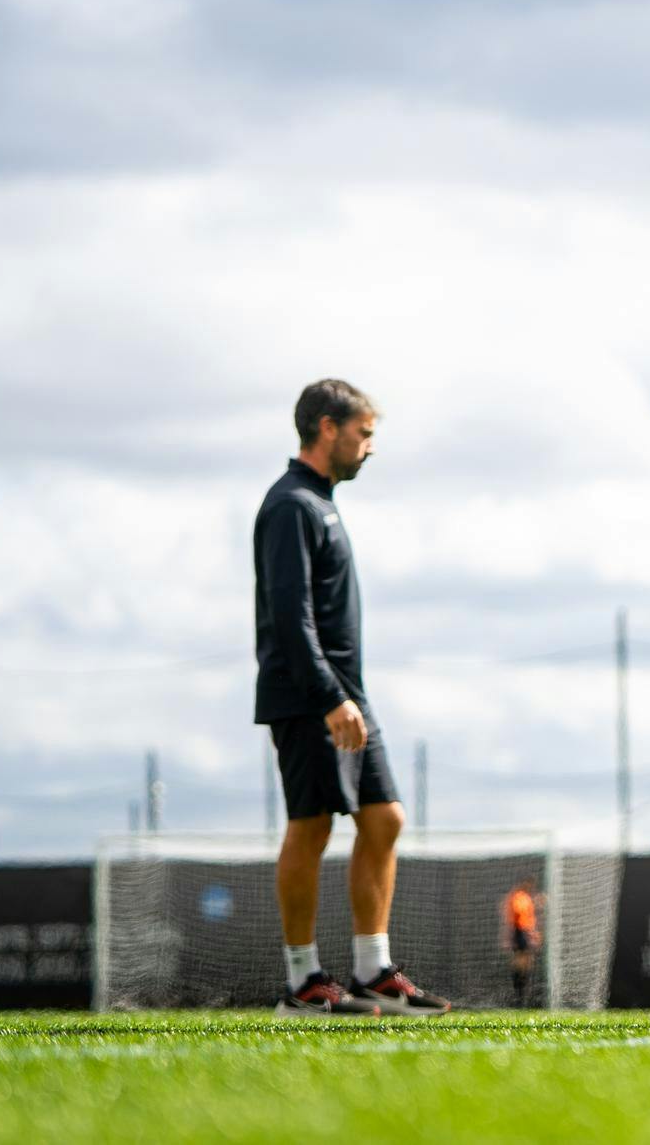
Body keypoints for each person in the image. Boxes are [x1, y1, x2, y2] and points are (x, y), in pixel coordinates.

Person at [256, 379, 449, 1018]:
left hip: (348, 696)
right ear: (327, 428)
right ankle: (303, 983)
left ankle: (372, 974)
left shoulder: (321, 503)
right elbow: (291, 615)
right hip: (311, 697)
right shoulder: (290, 506)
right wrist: (329, 697)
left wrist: (348, 697)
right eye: (363, 434)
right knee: (310, 828)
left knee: (385, 817)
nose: (369, 448)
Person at [504, 877, 542, 1005]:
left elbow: (529, 918)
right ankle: (519, 994)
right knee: (521, 961)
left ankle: (522, 993)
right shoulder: (519, 897)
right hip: (520, 932)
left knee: (526, 962)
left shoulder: (526, 898)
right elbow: (518, 917)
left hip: (524, 932)